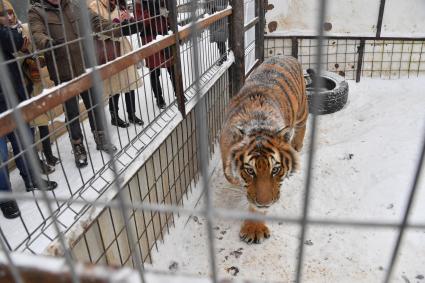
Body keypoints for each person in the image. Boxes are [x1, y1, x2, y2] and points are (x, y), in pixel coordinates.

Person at [28, 0, 144, 167]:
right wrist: (48, 43)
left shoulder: (76, 6)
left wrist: (122, 29)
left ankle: (101, 137)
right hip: (63, 73)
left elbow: (99, 23)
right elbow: (36, 34)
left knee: (94, 105)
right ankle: (78, 146)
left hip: (86, 68)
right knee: (72, 112)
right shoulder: (37, 12)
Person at [0, 0, 57, 219]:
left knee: (22, 141)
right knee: (2, 154)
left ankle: (32, 179)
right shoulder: (6, 32)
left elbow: (19, 43)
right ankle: (5, 197)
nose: (10, 17)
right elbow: (15, 40)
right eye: (5, 14)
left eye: (11, 13)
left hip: (13, 94)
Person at [89, 0, 144, 128]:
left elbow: (128, 28)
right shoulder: (94, 6)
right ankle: (115, 116)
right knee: (114, 85)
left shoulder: (118, 5)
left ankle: (132, 114)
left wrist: (129, 20)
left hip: (123, 48)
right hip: (108, 50)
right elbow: (96, 31)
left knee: (129, 81)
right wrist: (119, 24)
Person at [135, 0, 176, 110]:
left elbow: (169, 15)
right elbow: (139, 23)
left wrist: (166, 15)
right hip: (150, 39)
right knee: (154, 71)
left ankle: (179, 93)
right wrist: (151, 13)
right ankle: (159, 98)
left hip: (164, 36)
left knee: (172, 68)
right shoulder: (140, 3)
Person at [208, 0, 228, 66]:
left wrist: (216, 8)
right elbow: (208, 7)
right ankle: (223, 57)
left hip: (221, 21)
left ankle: (223, 58)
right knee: (218, 42)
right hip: (214, 21)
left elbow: (226, 7)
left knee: (221, 41)